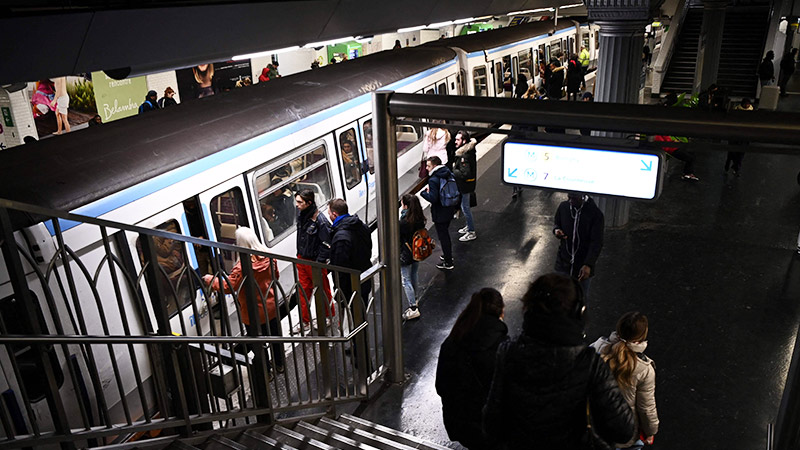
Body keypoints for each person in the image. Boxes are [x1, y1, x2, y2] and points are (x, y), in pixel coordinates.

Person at [483, 273, 635, 448]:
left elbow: (491, 423)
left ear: (528, 309)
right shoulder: (590, 364)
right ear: (580, 312)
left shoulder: (508, 352)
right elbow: (623, 430)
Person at [202, 227, 284, 374]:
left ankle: (267, 371)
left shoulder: (241, 267)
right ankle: (280, 364)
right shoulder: (269, 256)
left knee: (258, 344)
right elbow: (275, 276)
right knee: (275, 338)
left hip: (252, 313)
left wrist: (210, 280)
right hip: (271, 307)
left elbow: (228, 287)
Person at [436, 288, 508, 449]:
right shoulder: (503, 349)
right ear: (501, 312)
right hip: (491, 428)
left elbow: (440, 387)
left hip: (458, 423)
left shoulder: (451, 341)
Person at [591, 312, 659, 449]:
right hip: (625, 431)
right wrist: (650, 431)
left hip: (596, 425)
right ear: (641, 337)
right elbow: (646, 408)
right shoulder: (644, 369)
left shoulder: (596, 348)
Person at [295, 189, 334, 333]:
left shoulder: (321, 221)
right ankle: (305, 321)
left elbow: (327, 245)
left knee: (323, 290)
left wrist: (319, 261)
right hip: (302, 259)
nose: (297, 205)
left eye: (300, 202)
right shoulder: (302, 216)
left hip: (314, 262)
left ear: (308, 203)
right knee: (303, 291)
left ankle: (328, 315)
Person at [553, 193, 604, 298]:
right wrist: (556, 230)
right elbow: (556, 223)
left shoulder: (595, 214)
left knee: (580, 298)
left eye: (574, 199)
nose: (570, 201)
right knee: (560, 298)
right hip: (563, 264)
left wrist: (588, 264)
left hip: (582, 267)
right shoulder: (563, 207)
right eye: (569, 198)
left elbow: (596, 242)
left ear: (583, 197)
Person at [328, 198, 373, 299]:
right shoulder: (362, 226)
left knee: (355, 312)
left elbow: (340, 269)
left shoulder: (340, 238)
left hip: (350, 288)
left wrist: (340, 292)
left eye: (329, 214)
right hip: (364, 277)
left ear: (335, 215)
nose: (329, 216)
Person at [420, 156, 458, 270]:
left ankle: (448, 261)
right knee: (445, 234)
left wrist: (423, 193)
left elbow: (433, 198)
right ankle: (448, 256)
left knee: (443, 237)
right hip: (449, 208)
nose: (426, 168)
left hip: (440, 212)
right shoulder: (447, 172)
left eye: (428, 166)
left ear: (435, 166)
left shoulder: (433, 179)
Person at [399, 194, 426, 320]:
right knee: (414, 274)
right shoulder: (419, 218)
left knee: (406, 280)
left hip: (405, 253)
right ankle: (415, 299)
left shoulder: (403, 222)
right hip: (417, 250)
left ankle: (413, 308)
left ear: (405, 206)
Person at [452, 130, 477, 242]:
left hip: (466, 186)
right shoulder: (467, 152)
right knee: (464, 207)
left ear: (464, 141)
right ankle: (468, 226)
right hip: (466, 185)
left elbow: (465, 173)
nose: (455, 141)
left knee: (465, 208)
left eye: (458, 139)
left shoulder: (464, 157)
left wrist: (454, 171)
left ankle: (471, 231)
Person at [725, 98, 754, 176]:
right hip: (742, 136)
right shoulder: (751, 113)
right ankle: (735, 168)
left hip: (738, 135)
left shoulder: (736, 110)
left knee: (736, 153)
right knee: (737, 153)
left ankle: (734, 167)